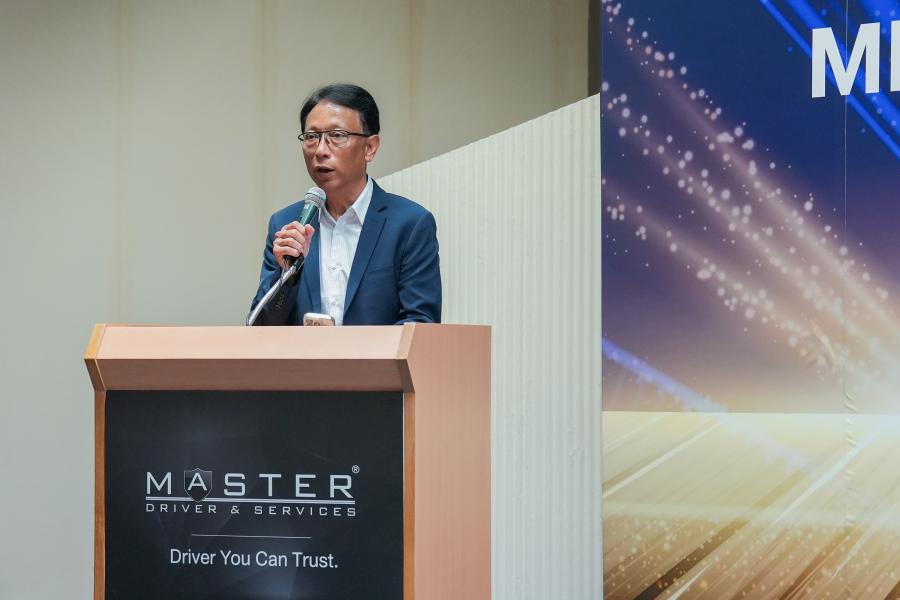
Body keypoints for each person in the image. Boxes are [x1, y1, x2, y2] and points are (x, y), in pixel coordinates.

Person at [249, 83, 441, 325]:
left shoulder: (409, 224)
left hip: (377, 353)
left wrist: (353, 348)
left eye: (337, 136)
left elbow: (420, 324)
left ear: (370, 147)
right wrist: (289, 276)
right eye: (311, 137)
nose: (320, 150)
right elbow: (259, 327)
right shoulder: (287, 225)